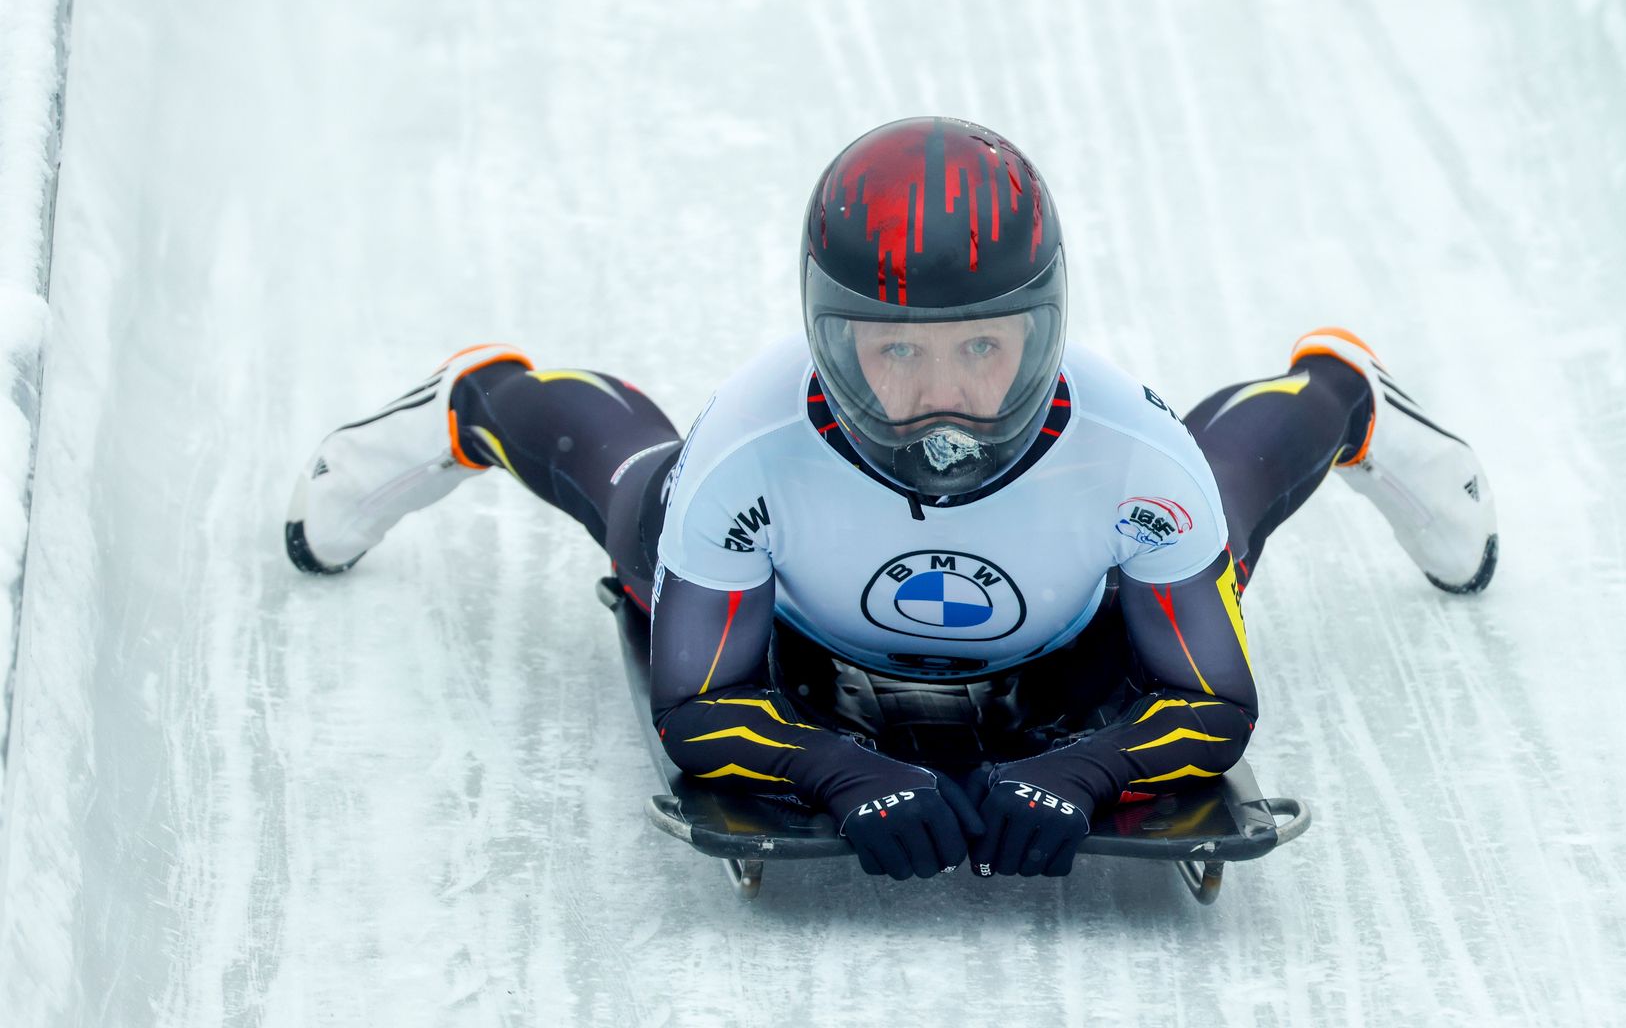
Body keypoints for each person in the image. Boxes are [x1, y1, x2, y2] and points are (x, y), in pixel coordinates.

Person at [284, 117, 1497, 881]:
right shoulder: (749, 451)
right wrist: (830, 767)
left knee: (1218, 504)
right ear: (827, 337)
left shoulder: (1134, 454)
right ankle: (474, 397)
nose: (942, 403)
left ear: (1044, 332)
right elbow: (696, 702)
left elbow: (1213, 703)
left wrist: (1084, 771)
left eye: (982, 351)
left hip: (1078, 607)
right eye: (895, 352)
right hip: (796, 606)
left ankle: (1343, 389)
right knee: (633, 493)